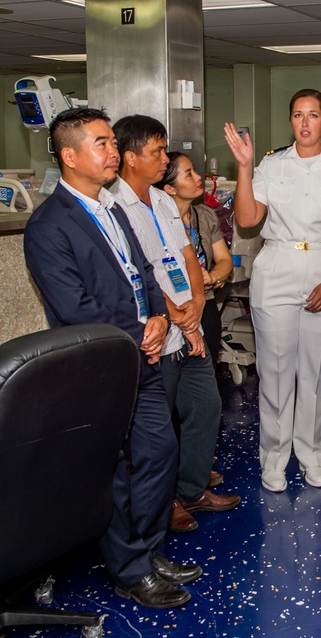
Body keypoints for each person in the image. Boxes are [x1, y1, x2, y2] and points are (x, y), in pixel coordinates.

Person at [23, 108, 197, 609]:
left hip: (141, 357)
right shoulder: (49, 226)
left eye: (112, 143)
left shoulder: (114, 208)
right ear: (69, 156)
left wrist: (161, 315)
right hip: (99, 366)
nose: (113, 152)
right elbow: (73, 306)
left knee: (160, 453)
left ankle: (145, 548)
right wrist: (141, 330)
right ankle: (129, 568)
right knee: (118, 469)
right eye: (101, 143)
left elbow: (142, 271)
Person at [227, 89, 321, 492]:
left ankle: (310, 455)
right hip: (277, 266)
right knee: (276, 372)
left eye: (314, 115)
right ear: (291, 121)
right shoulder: (270, 164)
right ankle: (273, 458)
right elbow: (248, 219)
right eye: (298, 115)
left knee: (315, 373)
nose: (305, 123)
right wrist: (245, 168)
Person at [112, 115, 239, 534]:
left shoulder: (163, 201)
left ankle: (192, 489)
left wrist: (196, 309)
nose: (165, 159)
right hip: (157, 331)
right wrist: (174, 316)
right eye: (158, 152)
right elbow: (139, 274)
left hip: (189, 324)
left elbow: (187, 258)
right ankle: (162, 502)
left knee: (206, 407)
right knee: (158, 427)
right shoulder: (116, 209)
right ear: (131, 158)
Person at [157, 151, 234, 364]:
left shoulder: (205, 216)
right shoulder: (158, 222)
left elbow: (225, 262)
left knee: (205, 371)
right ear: (170, 188)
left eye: (194, 170)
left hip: (205, 302)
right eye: (189, 174)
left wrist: (211, 277)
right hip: (175, 307)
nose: (198, 177)